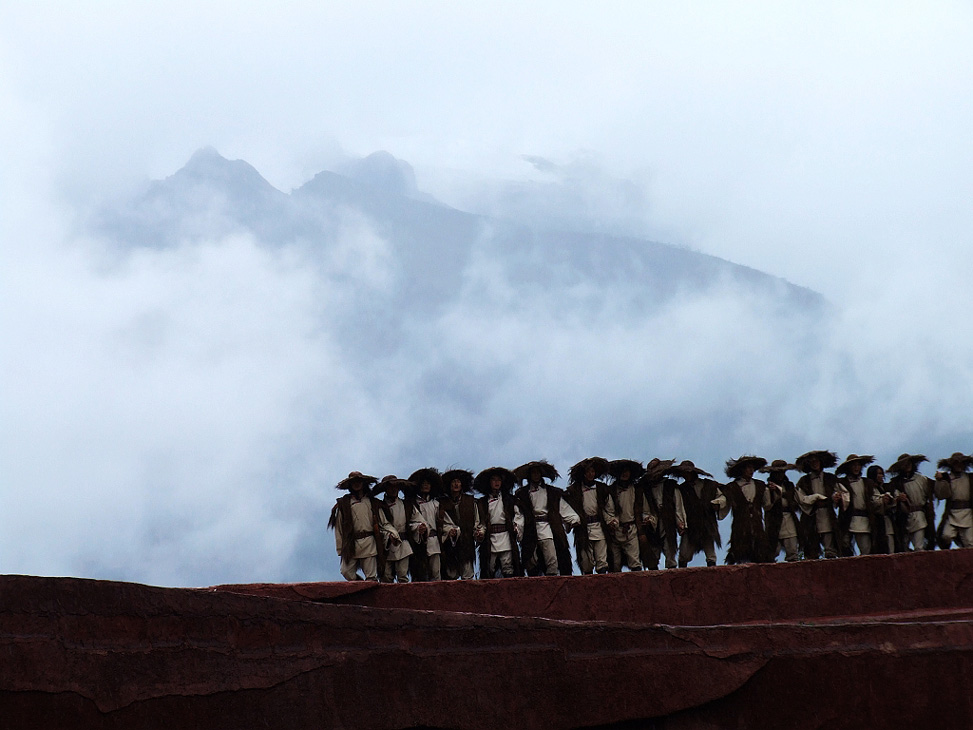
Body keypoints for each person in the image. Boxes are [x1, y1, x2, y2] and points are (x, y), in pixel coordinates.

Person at [328, 471, 399, 582]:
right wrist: (341, 548)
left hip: (369, 542)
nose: (357, 484)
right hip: (351, 544)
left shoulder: (373, 502)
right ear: (350, 485)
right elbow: (339, 528)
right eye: (354, 482)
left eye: (359, 481)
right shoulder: (344, 504)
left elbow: (384, 523)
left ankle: (371, 596)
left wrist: (393, 534)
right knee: (346, 571)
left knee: (371, 576)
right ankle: (360, 585)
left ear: (363, 483)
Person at [514, 460, 581, 576]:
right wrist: (517, 527)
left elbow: (563, 508)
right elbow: (519, 514)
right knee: (530, 558)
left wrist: (574, 519)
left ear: (541, 474)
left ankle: (552, 578)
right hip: (530, 528)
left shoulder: (552, 492)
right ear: (529, 475)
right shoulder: (522, 494)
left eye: (537, 472)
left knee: (551, 556)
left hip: (547, 527)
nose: (536, 475)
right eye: (533, 473)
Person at [715, 455, 778, 564]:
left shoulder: (760, 485)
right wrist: (716, 504)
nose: (751, 470)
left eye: (752, 468)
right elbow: (723, 500)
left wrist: (774, 491)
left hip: (757, 527)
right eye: (748, 468)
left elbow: (768, 505)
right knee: (740, 555)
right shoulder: (732, 487)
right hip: (740, 528)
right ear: (742, 469)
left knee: (761, 556)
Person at [565, 457, 614, 574]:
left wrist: (611, 521)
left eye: (592, 471)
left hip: (600, 527)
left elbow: (609, 509)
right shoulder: (574, 490)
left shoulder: (602, 489)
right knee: (586, 561)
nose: (590, 474)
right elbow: (568, 509)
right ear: (583, 474)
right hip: (583, 528)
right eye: (588, 472)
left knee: (602, 560)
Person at [473, 466, 524, 578]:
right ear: (489, 483)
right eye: (494, 480)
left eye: (499, 480)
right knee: (489, 566)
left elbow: (518, 515)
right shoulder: (482, 502)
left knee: (508, 565)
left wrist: (516, 527)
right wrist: (480, 532)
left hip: (506, 536)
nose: (496, 483)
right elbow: (480, 521)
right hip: (490, 538)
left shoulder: (509, 500)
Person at [637, 459, 686, 570]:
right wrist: (647, 518)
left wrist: (681, 523)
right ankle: (653, 573)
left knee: (670, 548)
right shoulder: (646, 489)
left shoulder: (670, 485)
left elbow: (678, 506)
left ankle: (671, 568)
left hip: (668, 520)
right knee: (653, 551)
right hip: (653, 523)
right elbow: (644, 508)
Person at [673, 460, 723, 567]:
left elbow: (722, 497)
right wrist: (680, 523)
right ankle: (681, 578)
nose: (685, 475)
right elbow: (678, 507)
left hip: (707, 524)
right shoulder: (681, 489)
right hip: (691, 525)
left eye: (687, 472)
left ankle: (713, 574)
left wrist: (717, 503)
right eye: (683, 473)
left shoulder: (709, 485)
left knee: (710, 553)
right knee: (684, 554)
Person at [438, 468, 484, 580]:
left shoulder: (471, 501)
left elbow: (477, 521)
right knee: (450, 576)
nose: (456, 484)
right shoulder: (441, 503)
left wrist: (478, 533)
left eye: (458, 482)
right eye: (453, 482)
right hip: (449, 544)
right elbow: (439, 522)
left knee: (467, 574)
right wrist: (449, 531)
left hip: (467, 543)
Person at [794, 450, 841, 559]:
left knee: (830, 546)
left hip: (827, 514)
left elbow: (841, 492)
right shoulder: (804, 481)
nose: (815, 463)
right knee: (811, 547)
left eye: (817, 461)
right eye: (812, 462)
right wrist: (814, 498)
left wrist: (836, 497)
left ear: (821, 462)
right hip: (811, 517)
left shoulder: (830, 478)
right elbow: (801, 498)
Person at [834, 454, 882, 556]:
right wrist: (836, 498)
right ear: (848, 467)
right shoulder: (841, 483)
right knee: (844, 547)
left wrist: (884, 500)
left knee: (866, 550)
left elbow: (875, 499)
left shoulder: (867, 483)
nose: (856, 468)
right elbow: (835, 499)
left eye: (858, 465)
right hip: (847, 519)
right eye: (853, 465)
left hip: (864, 520)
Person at [606, 459, 647, 571]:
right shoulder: (611, 491)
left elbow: (643, 510)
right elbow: (606, 510)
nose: (625, 474)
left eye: (627, 471)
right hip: (615, 531)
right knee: (614, 564)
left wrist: (642, 529)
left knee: (635, 562)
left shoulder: (636, 490)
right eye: (622, 471)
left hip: (631, 529)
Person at [373, 475, 415, 582]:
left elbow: (417, 520)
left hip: (403, 545)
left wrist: (420, 526)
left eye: (395, 487)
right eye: (390, 487)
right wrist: (389, 535)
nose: (393, 489)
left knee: (402, 576)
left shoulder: (407, 505)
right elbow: (381, 525)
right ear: (385, 489)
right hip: (386, 545)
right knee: (386, 577)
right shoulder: (380, 506)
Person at [889, 453, 934, 551]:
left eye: (909, 462)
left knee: (919, 547)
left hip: (919, 516)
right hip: (903, 518)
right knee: (903, 547)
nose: (907, 465)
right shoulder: (895, 483)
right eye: (904, 464)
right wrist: (898, 499)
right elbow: (892, 499)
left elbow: (932, 493)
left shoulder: (921, 479)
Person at [760, 460, 803, 562]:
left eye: (782, 472)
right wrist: (775, 495)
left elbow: (800, 499)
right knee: (772, 550)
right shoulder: (767, 489)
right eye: (777, 473)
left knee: (792, 549)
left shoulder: (789, 486)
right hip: (774, 521)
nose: (780, 475)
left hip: (789, 519)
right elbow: (766, 506)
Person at [407, 467, 445, 580]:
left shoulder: (436, 504)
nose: (426, 485)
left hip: (434, 542)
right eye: (423, 483)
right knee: (420, 574)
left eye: (428, 483)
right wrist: (417, 528)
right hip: (418, 542)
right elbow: (407, 524)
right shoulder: (411, 505)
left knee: (436, 573)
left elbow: (444, 523)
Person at [935, 452, 973, 549]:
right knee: (946, 536)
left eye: (961, 463)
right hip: (952, 513)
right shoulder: (947, 478)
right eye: (956, 463)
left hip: (968, 513)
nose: (959, 466)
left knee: (970, 543)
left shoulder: (970, 477)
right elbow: (941, 495)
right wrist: (940, 481)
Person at [867, 464, 897, 554]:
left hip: (887, 520)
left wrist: (892, 501)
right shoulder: (869, 489)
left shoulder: (884, 488)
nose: (881, 476)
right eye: (878, 474)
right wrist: (881, 501)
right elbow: (870, 504)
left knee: (891, 546)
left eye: (881, 473)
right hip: (876, 522)